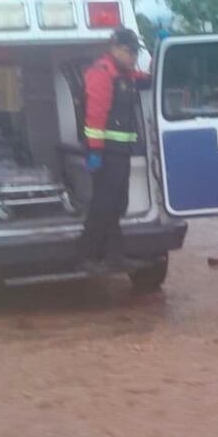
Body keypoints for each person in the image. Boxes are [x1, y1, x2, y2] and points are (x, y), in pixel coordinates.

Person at [81, 28, 148, 273]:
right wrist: (95, 151)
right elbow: (95, 116)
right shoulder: (102, 73)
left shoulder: (125, 75)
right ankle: (87, 255)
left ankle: (114, 255)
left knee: (117, 205)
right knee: (103, 205)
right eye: (129, 52)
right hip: (106, 153)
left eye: (136, 53)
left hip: (120, 152)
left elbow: (143, 77)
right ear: (115, 48)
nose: (133, 57)